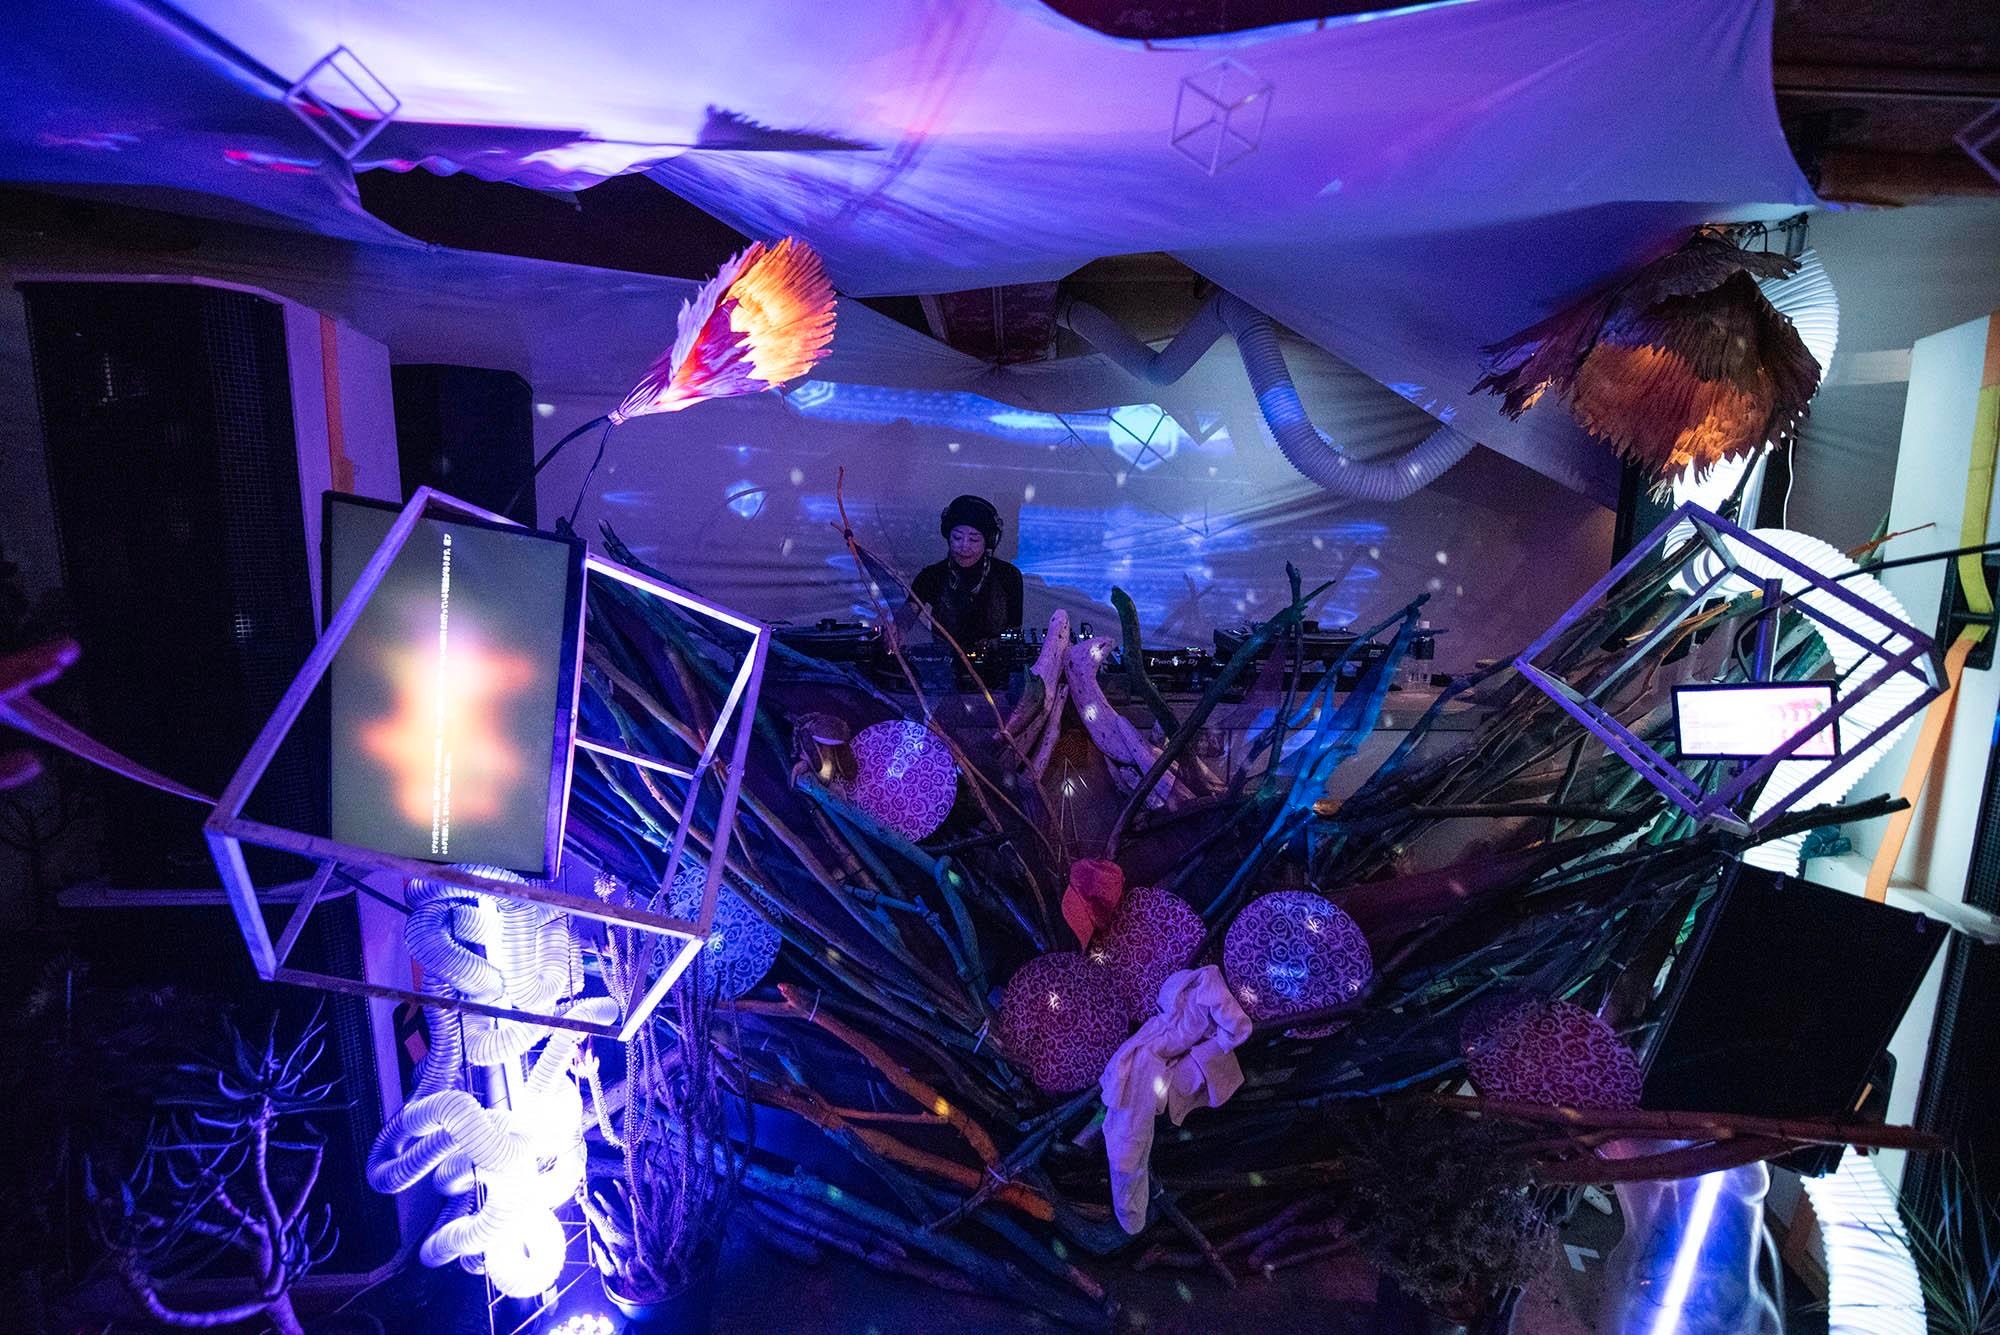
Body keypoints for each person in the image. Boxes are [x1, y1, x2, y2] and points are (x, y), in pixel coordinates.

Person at [906, 494, 1023, 648]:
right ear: (948, 537)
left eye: (974, 540)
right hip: (945, 662)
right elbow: (906, 616)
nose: (964, 546)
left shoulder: (1008, 576)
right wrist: (896, 630)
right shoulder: (931, 576)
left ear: (989, 541)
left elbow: (1014, 632)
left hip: (996, 662)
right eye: (957, 537)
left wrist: (991, 645)